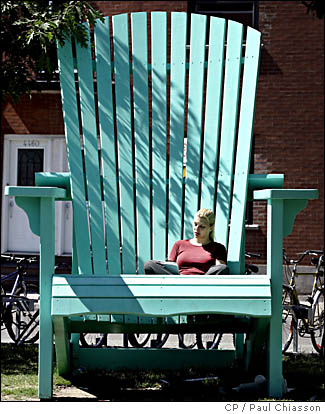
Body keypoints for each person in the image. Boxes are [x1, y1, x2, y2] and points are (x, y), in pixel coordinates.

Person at [144, 208, 229, 275]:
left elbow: (220, 269)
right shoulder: (180, 244)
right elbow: (169, 268)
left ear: (211, 228)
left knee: (222, 268)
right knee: (150, 265)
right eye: (195, 224)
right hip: (179, 282)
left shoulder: (218, 248)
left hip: (203, 283)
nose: (196, 229)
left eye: (202, 227)